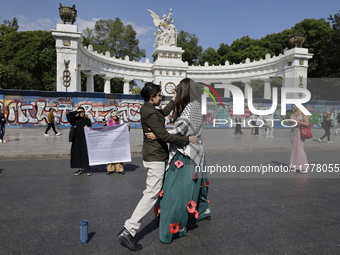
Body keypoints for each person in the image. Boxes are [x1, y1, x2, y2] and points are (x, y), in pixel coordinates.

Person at [117, 82, 198, 251]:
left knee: (154, 191)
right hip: (155, 158)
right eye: (160, 95)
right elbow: (164, 136)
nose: (162, 97)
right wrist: (187, 140)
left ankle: (158, 217)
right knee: (151, 194)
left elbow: (162, 114)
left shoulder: (148, 108)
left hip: (152, 155)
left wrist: (174, 99)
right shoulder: (151, 113)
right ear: (152, 97)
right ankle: (129, 229)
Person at [146, 78, 211, 244]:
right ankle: (200, 212)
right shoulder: (198, 104)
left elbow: (180, 129)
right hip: (194, 152)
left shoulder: (191, 106)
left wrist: (159, 134)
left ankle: (171, 227)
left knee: (173, 191)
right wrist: (175, 99)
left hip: (184, 153)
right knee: (190, 188)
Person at [66, 107, 92, 176]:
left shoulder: (87, 120)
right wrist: (76, 111)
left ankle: (88, 169)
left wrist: (88, 128)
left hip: (85, 139)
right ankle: (80, 169)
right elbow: (68, 115)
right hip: (76, 139)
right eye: (80, 112)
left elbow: (91, 129)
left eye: (83, 111)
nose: (82, 113)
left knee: (85, 154)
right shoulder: (75, 120)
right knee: (78, 154)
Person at [105, 110, 131, 175]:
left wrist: (128, 126)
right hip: (110, 140)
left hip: (119, 140)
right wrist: (104, 125)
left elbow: (126, 130)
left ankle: (120, 169)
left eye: (116, 115)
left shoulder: (121, 122)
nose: (115, 116)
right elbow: (105, 130)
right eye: (114, 115)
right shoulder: (108, 122)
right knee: (110, 154)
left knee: (119, 154)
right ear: (111, 116)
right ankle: (110, 169)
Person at [287, 104, 309, 173]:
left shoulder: (304, 112)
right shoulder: (292, 114)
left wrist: (296, 121)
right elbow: (291, 125)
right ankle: (294, 165)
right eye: (292, 105)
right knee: (294, 149)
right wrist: (287, 121)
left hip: (300, 133)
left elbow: (306, 124)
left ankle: (305, 167)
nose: (293, 106)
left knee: (300, 149)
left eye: (295, 105)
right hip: (292, 133)